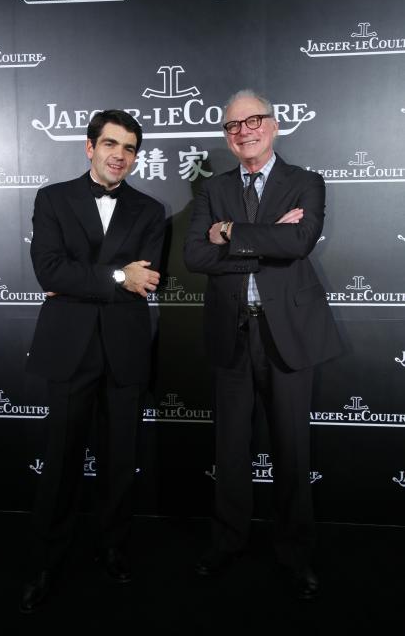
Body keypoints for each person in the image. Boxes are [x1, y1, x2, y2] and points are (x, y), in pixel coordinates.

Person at [184, 90, 342, 599]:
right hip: (232, 333)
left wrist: (230, 233)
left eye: (253, 121)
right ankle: (227, 542)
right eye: (233, 126)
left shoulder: (306, 183)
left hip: (289, 336)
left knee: (292, 450)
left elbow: (299, 243)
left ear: (273, 126)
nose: (243, 131)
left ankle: (296, 555)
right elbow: (195, 258)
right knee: (230, 450)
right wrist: (264, 236)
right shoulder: (212, 189)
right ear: (227, 137)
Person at [19, 109, 165, 613]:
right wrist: (118, 277)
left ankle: (112, 548)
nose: (119, 155)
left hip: (124, 348)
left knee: (120, 460)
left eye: (128, 148)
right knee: (60, 460)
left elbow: (145, 280)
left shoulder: (150, 209)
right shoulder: (53, 198)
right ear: (89, 147)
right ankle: (47, 560)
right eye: (110, 144)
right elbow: (48, 272)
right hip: (68, 350)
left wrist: (95, 280)